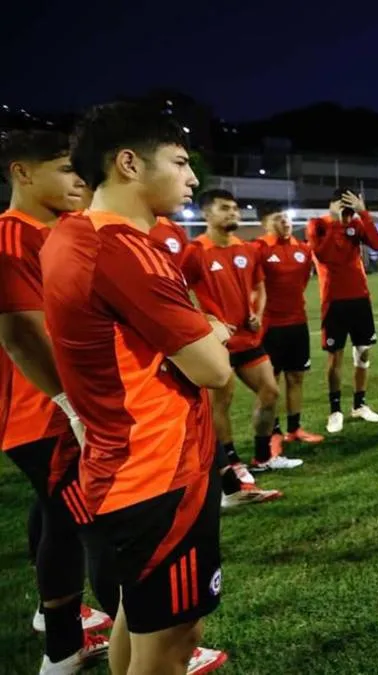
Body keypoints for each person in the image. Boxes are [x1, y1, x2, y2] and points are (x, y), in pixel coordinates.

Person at [41, 101, 233, 675]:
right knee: (173, 639)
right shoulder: (119, 247)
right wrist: (215, 330)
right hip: (156, 473)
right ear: (128, 163)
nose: (192, 177)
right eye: (179, 162)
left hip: (126, 466)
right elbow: (212, 368)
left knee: (139, 617)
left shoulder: (75, 234)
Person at [0, 129, 114, 673]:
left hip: (55, 410)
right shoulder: (10, 237)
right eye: (67, 169)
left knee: (53, 514)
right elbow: (23, 335)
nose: (79, 180)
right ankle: (67, 652)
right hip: (42, 411)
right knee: (87, 523)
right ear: (22, 172)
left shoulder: (59, 231)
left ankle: (58, 629)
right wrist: (73, 406)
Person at [182, 190, 301, 474]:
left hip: (248, 338)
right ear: (207, 215)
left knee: (270, 391)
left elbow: (259, 287)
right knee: (222, 402)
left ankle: (262, 458)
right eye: (225, 208)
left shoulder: (246, 249)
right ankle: (232, 463)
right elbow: (177, 293)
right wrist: (206, 320)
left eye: (235, 208)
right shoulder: (194, 252)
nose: (233, 213)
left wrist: (256, 314)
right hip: (216, 343)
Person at [307, 188, 378, 433]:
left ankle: (360, 404)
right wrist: (335, 223)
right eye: (344, 207)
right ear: (331, 205)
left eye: (350, 208)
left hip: (360, 299)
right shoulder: (318, 225)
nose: (347, 213)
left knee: (363, 353)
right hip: (334, 301)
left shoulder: (357, 224)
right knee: (335, 356)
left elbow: (377, 243)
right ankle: (335, 409)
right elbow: (322, 254)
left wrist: (364, 213)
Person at [255, 203, 324, 446]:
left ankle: (294, 428)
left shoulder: (303, 250)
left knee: (296, 377)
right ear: (265, 223)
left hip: (297, 322)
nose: (285, 223)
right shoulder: (258, 248)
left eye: (287, 218)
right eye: (278, 219)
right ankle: (273, 432)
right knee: (270, 382)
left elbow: (302, 282)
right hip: (270, 325)